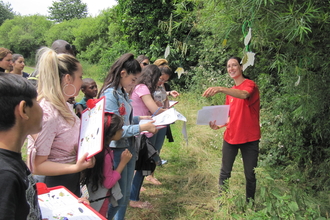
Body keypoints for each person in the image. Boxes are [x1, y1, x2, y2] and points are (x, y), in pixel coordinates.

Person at [27, 47, 95, 197]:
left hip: (67, 180)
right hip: (51, 187)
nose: (82, 82)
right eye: (80, 77)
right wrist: (75, 167)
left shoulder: (64, 105)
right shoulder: (48, 113)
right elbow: (36, 166)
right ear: (68, 79)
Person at [98, 53, 158, 220]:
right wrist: (140, 127)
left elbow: (124, 119)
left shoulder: (122, 93)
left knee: (123, 195)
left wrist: (140, 119)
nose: (134, 84)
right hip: (117, 151)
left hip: (127, 148)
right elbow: (114, 130)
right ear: (123, 73)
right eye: (133, 79)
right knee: (118, 197)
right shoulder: (110, 95)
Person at [202, 56, 260, 202]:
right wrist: (219, 125)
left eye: (234, 65)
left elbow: (244, 94)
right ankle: (223, 203)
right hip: (231, 137)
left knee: (250, 175)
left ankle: (250, 204)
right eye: (228, 66)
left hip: (249, 138)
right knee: (225, 173)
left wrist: (221, 89)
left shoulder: (250, 85)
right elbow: (230, 117)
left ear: (241, 67)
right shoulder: (231, 92)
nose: (231, 68)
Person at [0, 72, 43, 219]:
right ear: (24, 109)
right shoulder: (5, 175)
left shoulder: (11, 158)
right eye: (37, 102)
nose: (41, 108)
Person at [81, 113, 132, 217]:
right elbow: (108, 183)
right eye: (120, 129)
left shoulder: (93, 148)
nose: (122, 131)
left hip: (90, 194)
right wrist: (123, 163)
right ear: (111, 133)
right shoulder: (106, 155)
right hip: (99, 200)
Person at [129, 64, 166, 209]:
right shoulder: (143, 88)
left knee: (137, 167)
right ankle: (133, 199)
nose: (158, 83)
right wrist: (170, 113)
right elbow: (154, 110)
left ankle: (132, 195)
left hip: (138, 130)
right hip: (144, 132)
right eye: (158, 79)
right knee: (142, 168)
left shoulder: (136, 87)